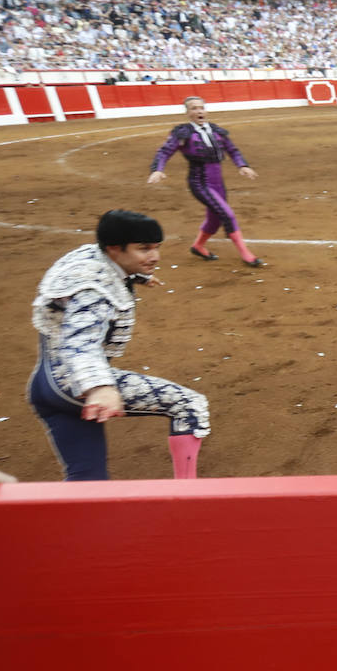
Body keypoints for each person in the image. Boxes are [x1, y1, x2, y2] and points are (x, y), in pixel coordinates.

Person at [27, 210, 211, 481]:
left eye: (156, 248)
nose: (155, 257)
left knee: (89, 482)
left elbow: (88, 276)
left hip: (45, 386)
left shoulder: (89, 257)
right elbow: (81, 341)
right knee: (188, 405)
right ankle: (188, 496)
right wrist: (99, 388)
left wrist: (138, 276)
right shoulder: (93, 294)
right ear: (114, 248)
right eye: (144, 249)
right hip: (75, 387)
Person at [148, 96, 264, 267]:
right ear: (188, 113)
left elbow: (232, 150)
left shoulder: (217, 131)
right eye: (194, 108)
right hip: (200, 182)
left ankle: (198, 246)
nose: (199, 111)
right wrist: (158, 169)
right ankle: (246, 254)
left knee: (215, 219)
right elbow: (165, 151)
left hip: (218, 183)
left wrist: (242, 165)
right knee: (227, 214)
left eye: (201, 107)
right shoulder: (182, 133)